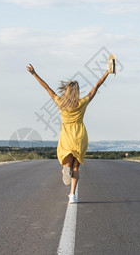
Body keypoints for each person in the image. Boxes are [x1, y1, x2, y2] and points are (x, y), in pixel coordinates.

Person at [26, 63, 110, 203]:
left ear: (66, 91)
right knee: (76, 167)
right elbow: (96, 86)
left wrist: (34, 73)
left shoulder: (60, 102)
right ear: (76, 92)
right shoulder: (82, 103)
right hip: (79, 136)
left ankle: (65, 169)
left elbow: (47, 87)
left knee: (67, 164)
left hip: (66, 136)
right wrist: (107, 72)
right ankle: (72, 195)